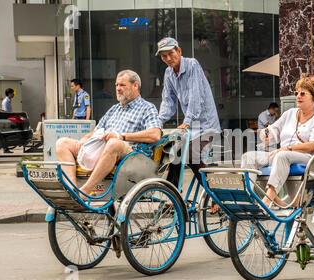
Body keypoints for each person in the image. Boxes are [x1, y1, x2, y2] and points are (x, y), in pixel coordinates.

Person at [56, 70, 162, 199]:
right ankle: (72, 191)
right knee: (62, 143)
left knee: (113, 143)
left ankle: (84, 192)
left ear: (135, 86)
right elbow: (97, 131)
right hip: (103, 149)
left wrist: (121, 136)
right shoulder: (114, 109)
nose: (118, 89)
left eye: (122, 85)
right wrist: (84, 139)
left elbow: (155, 135)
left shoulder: (147, 108)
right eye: (116, 85)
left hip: (132, 155)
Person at [242, 75, 314, 208]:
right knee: (248, 157)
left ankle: (267, 201)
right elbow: (274, 129)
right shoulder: (290, 113)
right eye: (297, 93)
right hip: (282, 155)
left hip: (308, 158)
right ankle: (248, 198)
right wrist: (266, 133)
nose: (298, 96)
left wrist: (287, 148)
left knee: (282, 155)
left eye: (303, 93)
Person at [156, 37, 221, 188]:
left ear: (179, 51)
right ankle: (173, 197)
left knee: (191, 155)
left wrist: (187, 121)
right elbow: (168, 101)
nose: (168, 58)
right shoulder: (168, 73)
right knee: (175, 154)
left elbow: (195, 96)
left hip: (207, 127)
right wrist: (158, 122)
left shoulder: (192, 64)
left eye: (171, 53)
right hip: (191, 129)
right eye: (164, 56)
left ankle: (213, 190)